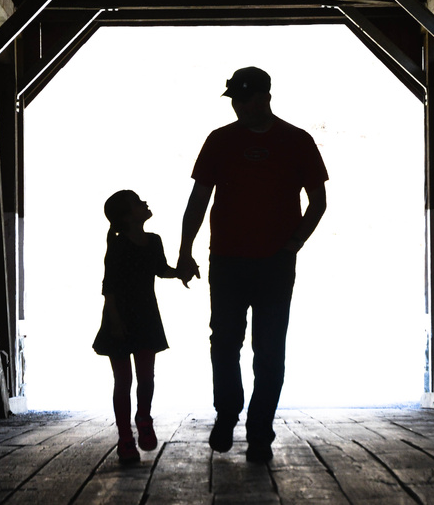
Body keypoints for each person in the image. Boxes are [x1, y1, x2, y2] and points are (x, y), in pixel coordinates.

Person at [177, 66, 328, 463]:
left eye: (243, 100)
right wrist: (185, 248)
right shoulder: (220, 140)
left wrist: (293, 243)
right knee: (225, 342)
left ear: (264, 98)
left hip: (274, 263)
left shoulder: (297, 141)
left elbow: (319, 202)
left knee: (268, 349)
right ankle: (228, 414)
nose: (238, 107)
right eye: (235, 101)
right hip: (227, 260)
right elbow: (198, 199)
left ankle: (259, 429)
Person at [92, 190, 182, 463]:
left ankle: (143, 418)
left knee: (145, 378)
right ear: (128, 215)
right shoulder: (118, 245)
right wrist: (115, 320)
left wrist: (181, 272)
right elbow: (110, 287)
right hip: (119, 318)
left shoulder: (153, 241)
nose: (145, 203)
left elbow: (160, 269)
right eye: (138, 202)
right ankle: (125, 437)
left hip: (145, 317)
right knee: (124, 381)